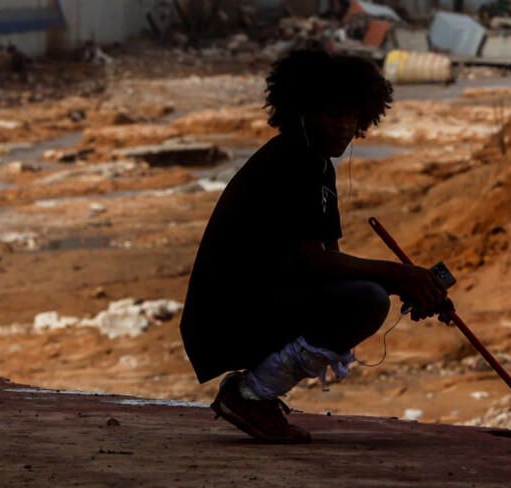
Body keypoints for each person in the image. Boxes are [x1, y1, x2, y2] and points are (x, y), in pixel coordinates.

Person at [180, 46, 448, 443]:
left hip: (256, 301)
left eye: (351, 115)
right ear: (304, 110)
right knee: (369, 301)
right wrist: (399, 275)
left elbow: (331, 263)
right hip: (227, 314)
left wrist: (408, 284)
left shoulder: (317, 163)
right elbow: (316, 264)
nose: (343, 126)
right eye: (333, 113)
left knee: (369, 294)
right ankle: (250, 395)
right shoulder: (292, 162)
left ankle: (255, 394)